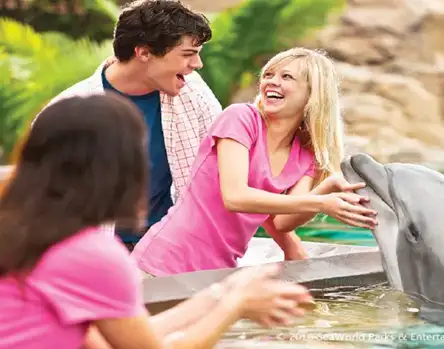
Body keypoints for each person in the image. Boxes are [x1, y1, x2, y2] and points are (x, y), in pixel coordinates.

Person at [0, 93, 313, 349]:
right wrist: (235, 303)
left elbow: (127, 339)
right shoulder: (90, 255)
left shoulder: (22, 234)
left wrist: (222, 292)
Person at [131, 47, 379, 277]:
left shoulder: (306, 154)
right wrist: (321, 202)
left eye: (286, 77)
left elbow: (283, 221)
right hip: (162, 262)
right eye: (269, 74)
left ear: (313, 94)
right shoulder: (241, 119)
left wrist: (328, 186)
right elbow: (235, 197)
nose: (272, 81)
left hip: (217, 271)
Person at [32, 0, 223, 248]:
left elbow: (224, 163)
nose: (197, 64)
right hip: (91, 252)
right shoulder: (69, 111)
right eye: (188, 54)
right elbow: (40, 199)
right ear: (143, 52)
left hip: (169, 247)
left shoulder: (193, 91)